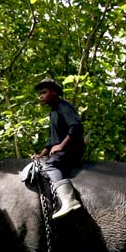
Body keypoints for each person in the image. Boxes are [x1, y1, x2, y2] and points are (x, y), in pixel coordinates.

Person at [32, 78, 85, 219]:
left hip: (71, 149)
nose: (40, 96)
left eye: (44, 92)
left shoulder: (64, 107)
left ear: (54, 92)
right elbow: (52, 139)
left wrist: (62, 145)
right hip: (62, 149)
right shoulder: (53, 112)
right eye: (40, 93)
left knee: (49, 165)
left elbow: (76, 127)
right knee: (42, 162)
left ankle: (69, 200)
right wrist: (41, 154)